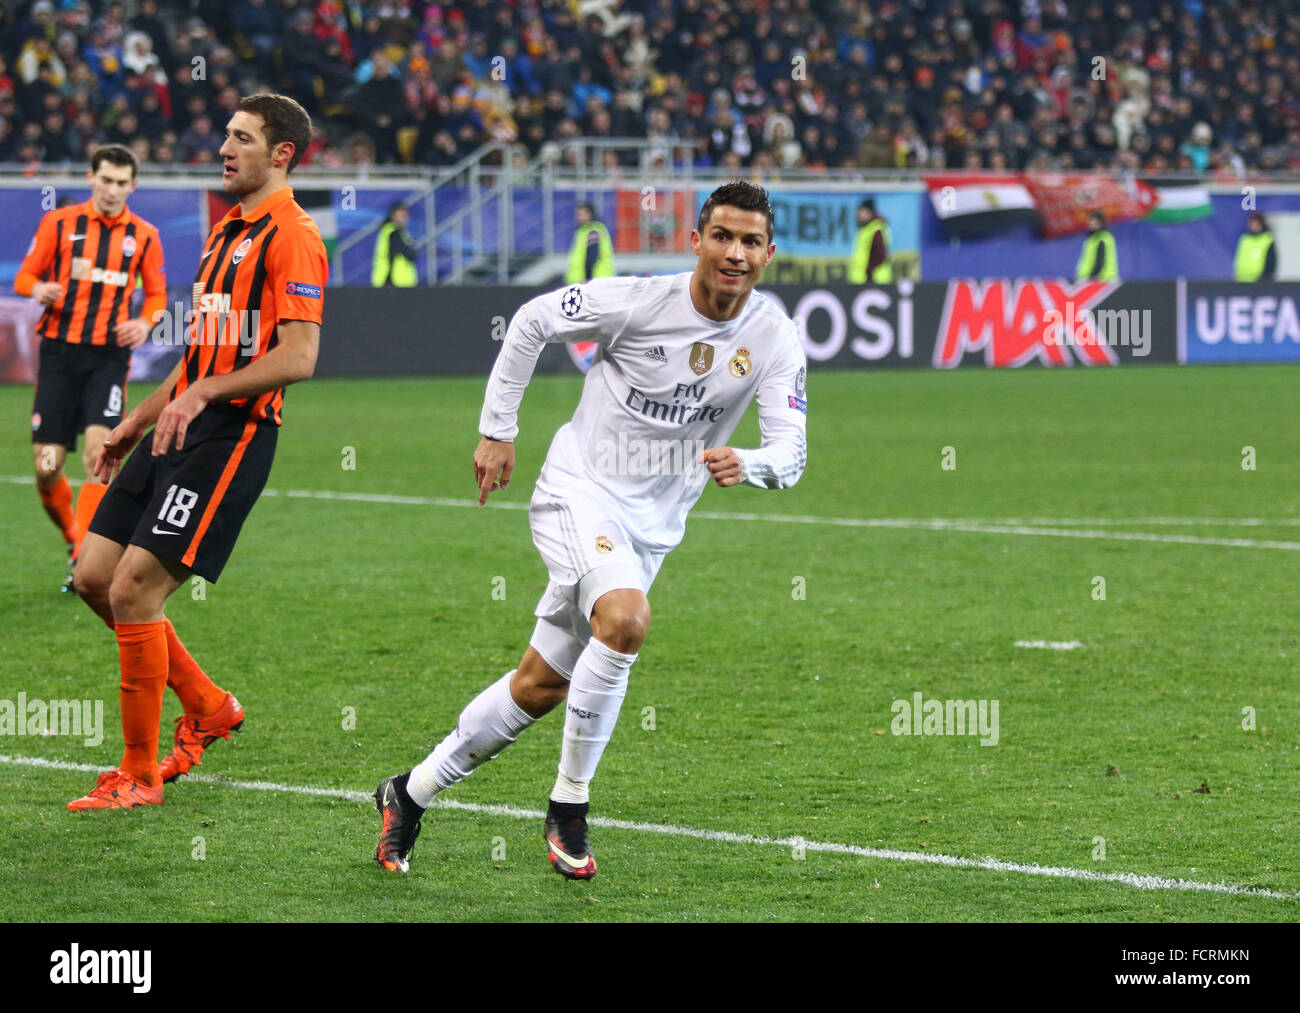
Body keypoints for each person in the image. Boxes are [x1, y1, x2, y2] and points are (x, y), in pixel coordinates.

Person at [374, 180, 808, 879]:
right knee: (627, 619)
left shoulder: (772, 336)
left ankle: (408, 793)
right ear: (696, 239)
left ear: (769, 252)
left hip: (650, 530)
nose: (735, 253)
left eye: (750, 241)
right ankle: (569, 804)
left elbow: (792, 452)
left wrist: (751, 461)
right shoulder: (638, 300)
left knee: (540, 686)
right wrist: (497, 431)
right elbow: (533, 319)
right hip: (577, 491)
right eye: (722, 236)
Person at [67, 93, 328, 811]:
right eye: (225, 134)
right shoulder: (224, 233)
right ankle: (208, 705)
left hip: (232, 435)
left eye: (242, 138)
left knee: (133, 589)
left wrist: (204, 393)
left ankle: (140, 774)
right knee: (93, 574)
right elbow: (193, 358)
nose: (225, 147)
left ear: (281, 154)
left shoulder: (294, 236)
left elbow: (299, 356)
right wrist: (135, 422)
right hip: (180, 421)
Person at [15, 144, 166, 585]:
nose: (113, 190)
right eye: (106, 180)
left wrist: (144, 321)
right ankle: (70, 536)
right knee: (46, 467)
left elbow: (156, 294)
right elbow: (25, 275)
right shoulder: (59, 223)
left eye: (122, 183)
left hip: (108, 357)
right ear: (91, 178)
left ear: (133, 186)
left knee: (99, 456)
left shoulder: (145, 235)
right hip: (60, 354)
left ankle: (87, 558)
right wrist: (38, 288)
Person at [563, 201, 614, 283]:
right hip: (586, 280)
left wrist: (587, 280)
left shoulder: (592, 230)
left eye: (580, 214)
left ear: (589, 214)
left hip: (594, 281)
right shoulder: (584, 230)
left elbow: (592, 256)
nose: (577, 217)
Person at [371, 200, 418, 286]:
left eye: (405, 216)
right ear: (393, 216)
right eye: (401, 216)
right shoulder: (393, 233)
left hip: (394, 281)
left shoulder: (395, 231)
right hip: (392, 281)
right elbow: (409, 254)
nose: (404, 219)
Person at [847, 198, 892, 283]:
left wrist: (868, 272)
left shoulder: (876, 230)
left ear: (869, 212)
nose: (858, 215)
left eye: (861, 212)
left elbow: (880, 255)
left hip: (874, 279)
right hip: (864, 279)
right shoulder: (865, 229)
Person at [1075, 211, 1118, 282]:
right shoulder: (1093, 238)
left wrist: (1090, 278)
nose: (1090, 225)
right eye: (1090, 223)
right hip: (1096, 279)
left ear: (1100, 223)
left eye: (1093, 223)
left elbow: (1100, 261)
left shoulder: (1101, 238)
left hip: (1101, 280)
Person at [1233, 212, 1276, 281]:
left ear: (1261, 225)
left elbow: (1271, 263)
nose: (1253, 227)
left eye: (1256, 224)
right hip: (1241, 280)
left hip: (1259, 282)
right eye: (1251, 224)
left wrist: (1264, 279)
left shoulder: (1267, 239)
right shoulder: (1244, 239)